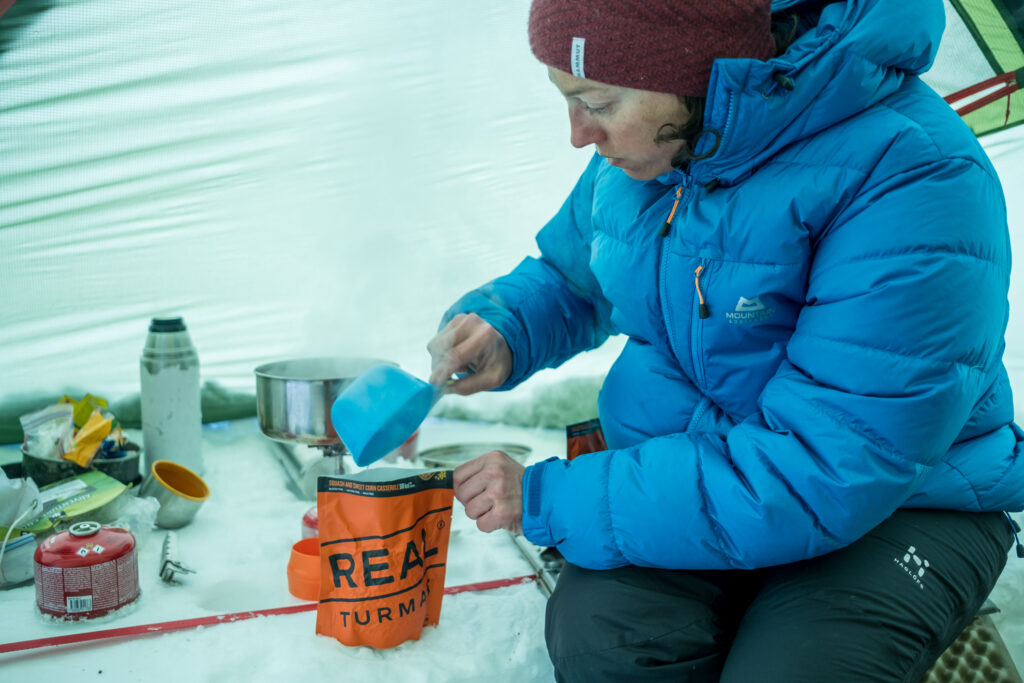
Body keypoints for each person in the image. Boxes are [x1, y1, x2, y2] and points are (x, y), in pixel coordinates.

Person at [426, 0, 1024, 680]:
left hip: (906, 500)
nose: (577, 133)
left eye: (596, 101)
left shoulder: (913, 175)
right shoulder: (658, 146)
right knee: (608, 642)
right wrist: (511, 325)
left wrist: (549, 499)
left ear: (689, 71)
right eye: (568, 100)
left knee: (795, 667)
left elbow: (828, 465)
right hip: (705, 471)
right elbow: (580, 270)